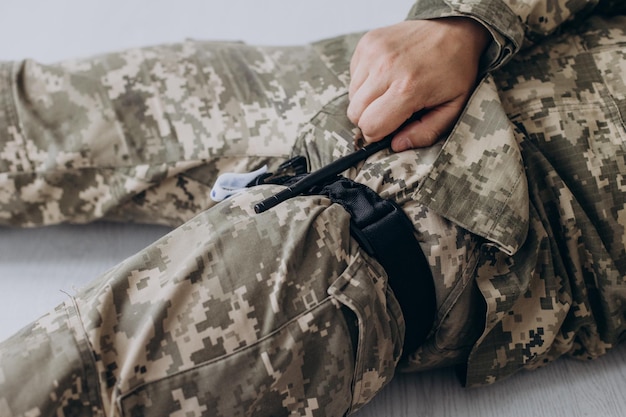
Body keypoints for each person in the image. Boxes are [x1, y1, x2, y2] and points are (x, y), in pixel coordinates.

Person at [1, 0, 626, 416]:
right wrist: (468, 21)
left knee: (62, 386)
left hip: (477, 220)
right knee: (32, 115)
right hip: (397, 77)